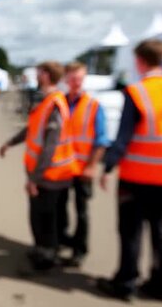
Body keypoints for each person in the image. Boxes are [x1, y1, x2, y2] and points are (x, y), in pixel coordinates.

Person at [97, 39, 162, 302]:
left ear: (140, 61)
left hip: (136, 176)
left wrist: (108, 166)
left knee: (131, 232)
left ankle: (125, 282)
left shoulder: (137, 92)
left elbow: (123, 136)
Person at [0, 61, 77, 271]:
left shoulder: (53, 104)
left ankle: (45, 259)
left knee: (44, 218)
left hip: (50, 175)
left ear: (46, 75)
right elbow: (32, 129)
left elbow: (50, 147)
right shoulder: (46, 102)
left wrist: (35, 179)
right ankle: (42, 250)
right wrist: (10, 143)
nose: (36, 75)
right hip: (47, 173)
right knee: (42, 217)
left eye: (39, 72)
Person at [57, 62, 109, 267]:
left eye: (79, 79)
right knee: (59, 208)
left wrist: (91, 166)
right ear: (66, 80)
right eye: (72, 79)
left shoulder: (93, 105)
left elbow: (101, 140)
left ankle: (79, 250)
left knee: (82, 212)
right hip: (62, 168)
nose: (75, 83)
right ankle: (61, 241)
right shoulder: (60, 103)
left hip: (82, 169)